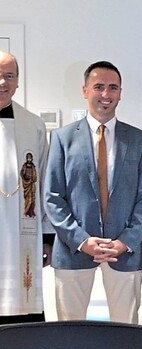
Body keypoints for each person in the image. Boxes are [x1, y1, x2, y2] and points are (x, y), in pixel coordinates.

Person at [44, 61, 142, 324]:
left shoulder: (139, 140)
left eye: (112, 88)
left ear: (120, 93)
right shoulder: (62, 138)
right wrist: (82, 240)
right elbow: (52, 197)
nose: (106, 94)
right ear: (85, 91)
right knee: (70, 331)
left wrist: (125, 241)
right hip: (74, 251)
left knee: (126, 332)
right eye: (99, 87)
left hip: (124, 252)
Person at [0, 51, 52, 324]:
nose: (2, 82)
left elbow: (45, 184)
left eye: (9, 76)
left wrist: (47, 237)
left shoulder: (33, 124)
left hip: (23, 230)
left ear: (17, 81)